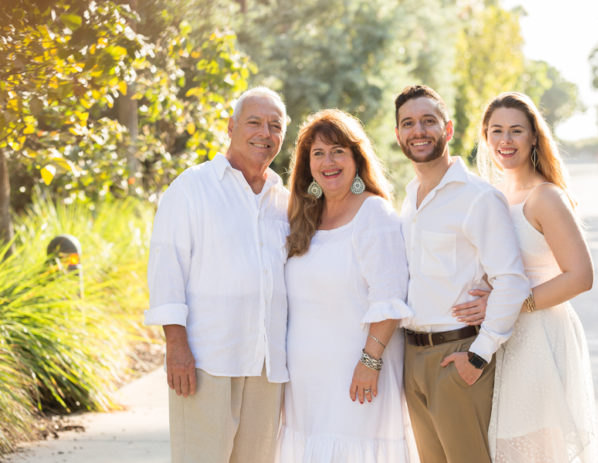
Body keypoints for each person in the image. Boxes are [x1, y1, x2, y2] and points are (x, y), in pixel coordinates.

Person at [145, 87, 290, 463]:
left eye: (275, 126)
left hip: (266, 366)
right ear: (230, 126)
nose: (265, 133)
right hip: (207, 361)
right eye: (254, 122)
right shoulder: (192, 187)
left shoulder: (284, 201)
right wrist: (176, 347)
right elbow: (166, 270)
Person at [455, 91, 598, 462]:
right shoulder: (493, 195)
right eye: (497, 131)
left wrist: (512, 303)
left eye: (516, 131)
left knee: (533, 449)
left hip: (539, 338)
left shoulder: (545, 197)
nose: (505, 141)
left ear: (534, 136)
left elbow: (581, 276)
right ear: (485, 137)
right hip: (500, 336)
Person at [395, 84, 530, 463]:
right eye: (408, 123)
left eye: (428, 121)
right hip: (413, 358)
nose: (418, 130)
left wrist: (479, 355)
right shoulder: (409, 199)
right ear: (398, 134)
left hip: (458, 355)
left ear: (448, 129)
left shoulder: (478, 197)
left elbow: (511, 281)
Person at [276, 109, 416, 462]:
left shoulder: (374, 214)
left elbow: (390, 297)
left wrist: (370, 361)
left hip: (357, 375)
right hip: (306, 382)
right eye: (318, 154)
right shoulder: (304, 216)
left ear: (356, 157)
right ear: (308, 165)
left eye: (338, 151)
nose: (328, 162)